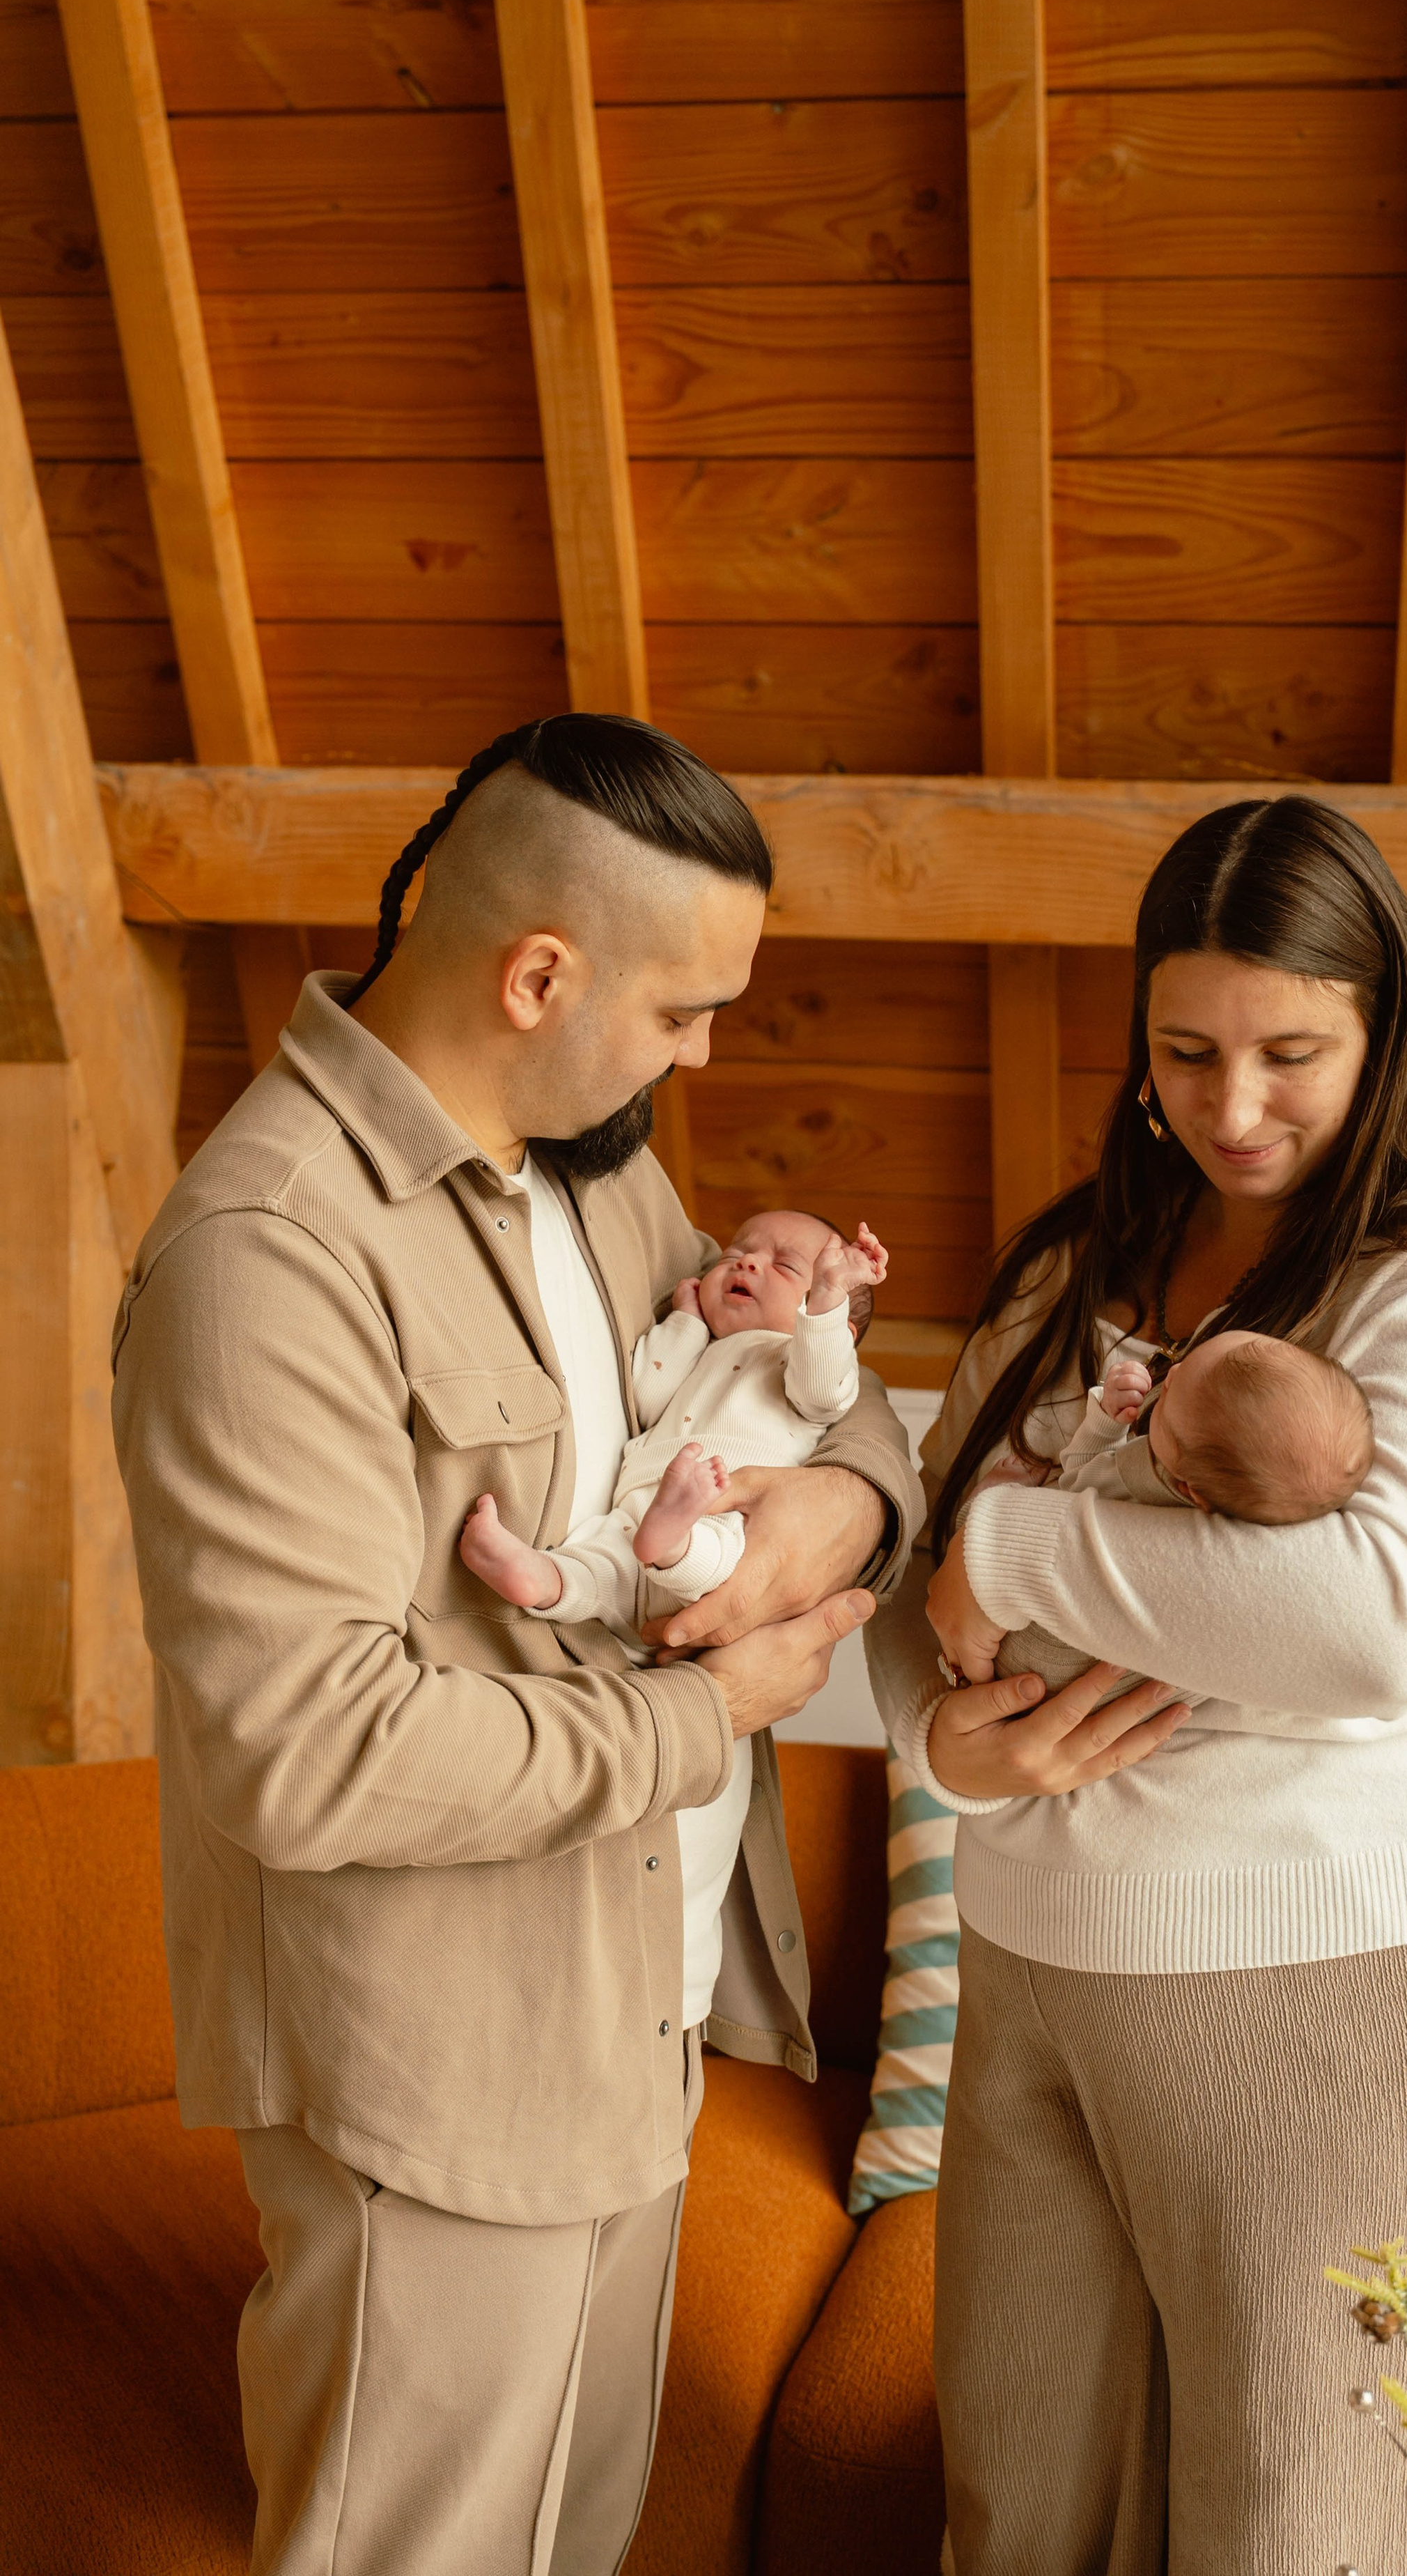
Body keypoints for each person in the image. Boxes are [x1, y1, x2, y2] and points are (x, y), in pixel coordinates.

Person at [111, 713, 922, 2576]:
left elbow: (820, 1393)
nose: (706, 1051)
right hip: (438, 2080)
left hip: (630, 2020)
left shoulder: (592, 1170)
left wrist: (847, 1509)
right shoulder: (270, 1259)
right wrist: (707, 1711)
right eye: (682, 1008)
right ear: (540, 972)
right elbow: (307, 1754)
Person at [867, 794, 1407, 2571]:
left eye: (1291, 1050)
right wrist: (941, 1734)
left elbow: (1382, 1619)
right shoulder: (1076, 1262)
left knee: (1302, 2524)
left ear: (1383, 1031)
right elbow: (927, 1561)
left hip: (1360, 1962)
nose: (1230, 1105)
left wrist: (1026, 1553)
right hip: (1051, 1946)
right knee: (1015, 2496)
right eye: (1183, 1049)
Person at [460, 1205, 889, 1632]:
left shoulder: (810, 1365)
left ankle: (675, 1543)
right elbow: (646, 1396)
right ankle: (544, 1580)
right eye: (732, 1255)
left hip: (730, 1508)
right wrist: (687, 1322)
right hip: (641, 1503)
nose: (747, 1261)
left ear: (836, 1328)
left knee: (721, 1556)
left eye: (786, 1266)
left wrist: (830, 1296)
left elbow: (822, 1388)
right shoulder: (705, 1350)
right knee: (602, 1565)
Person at [972, 1327, 1376, 1699]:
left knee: (980, 1522)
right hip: (1120, 1682)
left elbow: (1075, 1483)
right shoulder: (1256, 1518)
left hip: (1029, 1661)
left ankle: (986, 1496)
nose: (1176, 1369)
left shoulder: (1141, 1483)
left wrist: (1105, 1425)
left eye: (1163, 1405)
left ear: (1187, 1489)